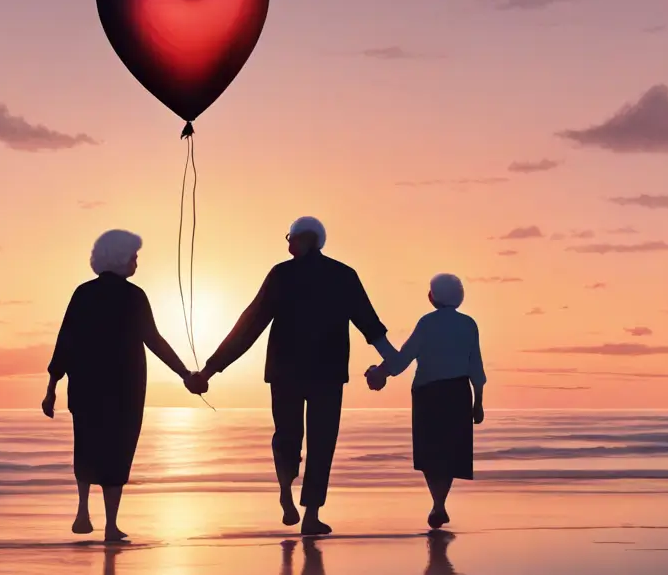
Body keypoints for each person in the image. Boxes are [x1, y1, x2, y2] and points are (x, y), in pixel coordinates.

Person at [191, 216, 393, 535]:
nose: (287, 245)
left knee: (286, 435)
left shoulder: (281, 275)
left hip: (285, 371)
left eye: (290, 238)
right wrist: (391, 362)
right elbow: (370, 324)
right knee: (322, 441)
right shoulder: (343, 275)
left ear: (302, 241)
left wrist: (210, 369)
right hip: (328, 372)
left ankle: (286, 487)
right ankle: (311, 515)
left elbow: (249, 325)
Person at [42, 229, 193, 542]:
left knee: (85, 446)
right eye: (134, 256)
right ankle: (110, 524)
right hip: (124, 387)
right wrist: (184, 373)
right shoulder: (133, 296)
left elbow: (65, 341)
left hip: (85, 385)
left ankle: (83, 512)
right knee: (118, 451)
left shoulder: (83, 293)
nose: (137, 262)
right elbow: (154, 340)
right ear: (121, 258)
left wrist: (52, 385)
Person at [366, 273, 486, 530]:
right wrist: (478, 402)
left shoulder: (427, 323)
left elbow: (402, 360)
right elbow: (475, 365)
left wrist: (379, 371)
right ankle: (439, 503)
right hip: (458, 393)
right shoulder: (469, 324)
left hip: (428, 393)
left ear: (434, 296)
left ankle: (437, 503)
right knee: (450, 452)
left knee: (430, 452)